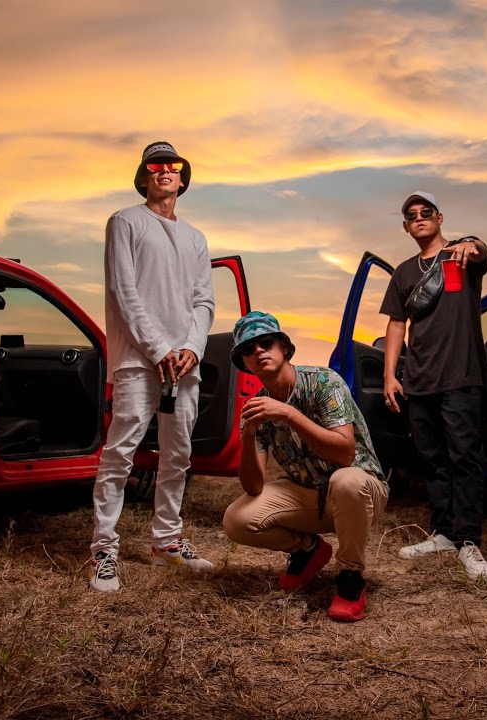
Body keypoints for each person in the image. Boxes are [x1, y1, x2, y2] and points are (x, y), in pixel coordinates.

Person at [89, 141, 216, 592]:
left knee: (178, 455)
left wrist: (192, 348)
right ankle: (104, 550)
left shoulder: (196, 238)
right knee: (120, 452)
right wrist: (159, 348)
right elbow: (123, 292)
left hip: (183, 365)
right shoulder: (125, 221)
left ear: (182, 178)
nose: (164, 170)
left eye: (172, 165)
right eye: (155, 165)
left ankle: (166, 542)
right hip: (138, 360)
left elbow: (204, 300)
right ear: (144, 177)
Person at [222, 311, 389, 622]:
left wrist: (289, 414)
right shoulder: (258, 406)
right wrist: (248, 435)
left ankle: (350, 576)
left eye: (266, 342)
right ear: (244, 363)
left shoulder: (323, 382)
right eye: (248, 348)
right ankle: (309, 549)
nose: (258, 350)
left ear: (284, 348)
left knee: (346, 481)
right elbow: (253, 487)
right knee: (237, 519)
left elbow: (344, 455)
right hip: (310, 494)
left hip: (361, 492)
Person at [379, 191, 487, 580]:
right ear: (405, 226)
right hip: (420, 379)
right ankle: (444, 532)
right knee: (432, 460)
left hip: (461, 375)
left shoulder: (461, 257)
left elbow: (480, 251)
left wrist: (471, 243)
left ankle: (468, 540)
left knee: (465, 458)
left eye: (425, 212)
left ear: (439, 217)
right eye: (411, 215)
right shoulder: (403, 272)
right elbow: (396, 324)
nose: (419, 217)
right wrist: (390, 375)